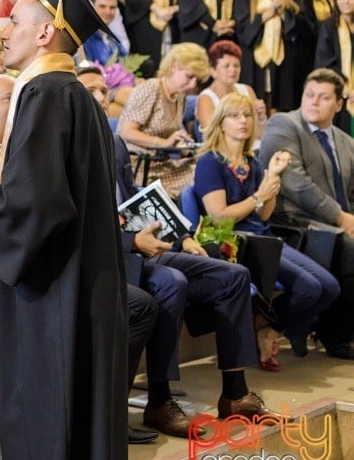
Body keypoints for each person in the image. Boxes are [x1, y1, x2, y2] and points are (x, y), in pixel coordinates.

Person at [0, 0, 127, 460]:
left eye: (15, 19)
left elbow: (38, 202)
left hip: (53, 288)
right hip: (81, 282)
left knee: (48, 412)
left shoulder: (45, 93)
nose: (2, 28)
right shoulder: (76, 96)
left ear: (45, 32)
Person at [77, 66, 279, 440]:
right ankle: (159, 400)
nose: (101, 98)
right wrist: (132, 243)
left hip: (145, 243)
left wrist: (183, 235)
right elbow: (77, 224)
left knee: (233, 276)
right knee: (172, 281)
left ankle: (235, 395)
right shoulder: (70, 147)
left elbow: (137, 200)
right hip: (112, 256)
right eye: (90, 91)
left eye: (104, 91)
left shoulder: (115, 142)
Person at [195, 93, 340, 362]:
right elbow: (220, 217)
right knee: (309, 287)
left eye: (248, 115)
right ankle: (269, 328)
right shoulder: (210, 162)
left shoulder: (254, 162)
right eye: (235, 116)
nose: (243, 121)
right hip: (236, 244)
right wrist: (259, 196)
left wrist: (272, 178)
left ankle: (268, 328)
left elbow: (264, 216)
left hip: (264, 238)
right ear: (220, 123)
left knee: (329, 287)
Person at [260, 69, 354, 359]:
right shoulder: (284, 124)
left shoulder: (344, 140)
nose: (314, 102)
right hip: (293, 222)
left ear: (339, 105)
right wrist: (342, 218)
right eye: (309, 95)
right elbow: (295, 183)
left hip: (335, 223)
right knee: (350, 246)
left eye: (324, 97)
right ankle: (335, 334)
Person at [118, 43, 211, 199]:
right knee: (204, 176)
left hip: (164, 165)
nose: (193, 84)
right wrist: (165, 143)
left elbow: (170, 136)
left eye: (197, 79)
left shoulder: (179, 97)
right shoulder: (150, 89)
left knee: (209, 168)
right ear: (174, 67)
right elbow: (126, 132)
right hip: (141, 169)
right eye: (189, 76)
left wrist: (184, 145)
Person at [235, 0, 302, 112]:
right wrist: (269, 12)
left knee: (279, 104)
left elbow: (297, 30)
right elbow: (242, 28)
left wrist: (284, 13)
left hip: (282, 57)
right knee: (254, 105)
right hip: (254, 56)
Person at [81, 0, 133, 117]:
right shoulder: (83, 36)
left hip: (118, 93)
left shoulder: (114, 40)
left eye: (112, 7)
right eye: (102, 6)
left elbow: (126, 68)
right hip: (95, 94)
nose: (108, 12)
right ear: (91, 5)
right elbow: (84, 71)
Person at [196, 40, 266, 138]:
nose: (233, 70)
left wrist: (261, 118)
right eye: (226, 66)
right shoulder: (206, 98)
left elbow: (259, 134)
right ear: (213, 71)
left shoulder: (247, 90)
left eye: (236, 65)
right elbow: (212, 136)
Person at [315, 0, 354, 134]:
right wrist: (347, 87)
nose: (345, 1)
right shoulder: (329, 27)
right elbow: (324, 63)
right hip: (340, 94)